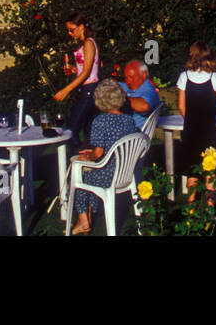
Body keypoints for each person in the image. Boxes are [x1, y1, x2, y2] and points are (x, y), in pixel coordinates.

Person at [69, 79, 137, 235]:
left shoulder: (100, 121)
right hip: (124, 173)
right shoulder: (129, 120)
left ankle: (83, 219)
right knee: (90, 174)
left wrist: (88, 156)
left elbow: (98, 153)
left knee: (79, 178)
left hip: (107, 176)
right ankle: (89, 215)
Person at [177, 41, 216, 205]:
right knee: (210, 168)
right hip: (209, 131)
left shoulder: (184, 76)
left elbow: (181, 105)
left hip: (191, 131)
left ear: (191, 55)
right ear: (208, 56)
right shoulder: (214, 77)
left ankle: (191, 205)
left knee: (191, 167)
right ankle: (209, 208)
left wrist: (191, 119)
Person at [53, 12, 99, 145]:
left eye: (71, 30)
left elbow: (86, 73)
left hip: (90, 90)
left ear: (82, 27)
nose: (69, 33)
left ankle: (76, 160)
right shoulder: (84, 44)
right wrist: (74, 69)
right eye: (68, 30)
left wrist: (65, 90)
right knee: (86, 131)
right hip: (85, 90)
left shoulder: (89, 44)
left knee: (71, 132)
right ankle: (85, 161)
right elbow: (86, 69)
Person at [119, 60, 161, 130]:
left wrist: (119, 98)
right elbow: (112, 86)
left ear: (143, 75)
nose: (128, 81)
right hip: (123, 130)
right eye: (126, 78)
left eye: (131, 77)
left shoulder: (148, 90)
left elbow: (144, 106)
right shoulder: (132, 86)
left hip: (132, 135)